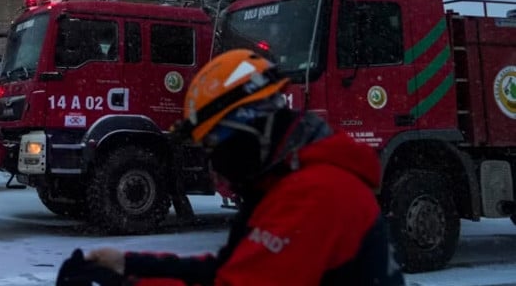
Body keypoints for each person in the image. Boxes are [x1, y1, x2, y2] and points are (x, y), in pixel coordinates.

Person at [58, 48, 404, 286]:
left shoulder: (315, 194)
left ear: (253, 127)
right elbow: (228, 269)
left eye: (216, 144)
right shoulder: (284, 184)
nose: (216, 163)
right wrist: (131, 266)